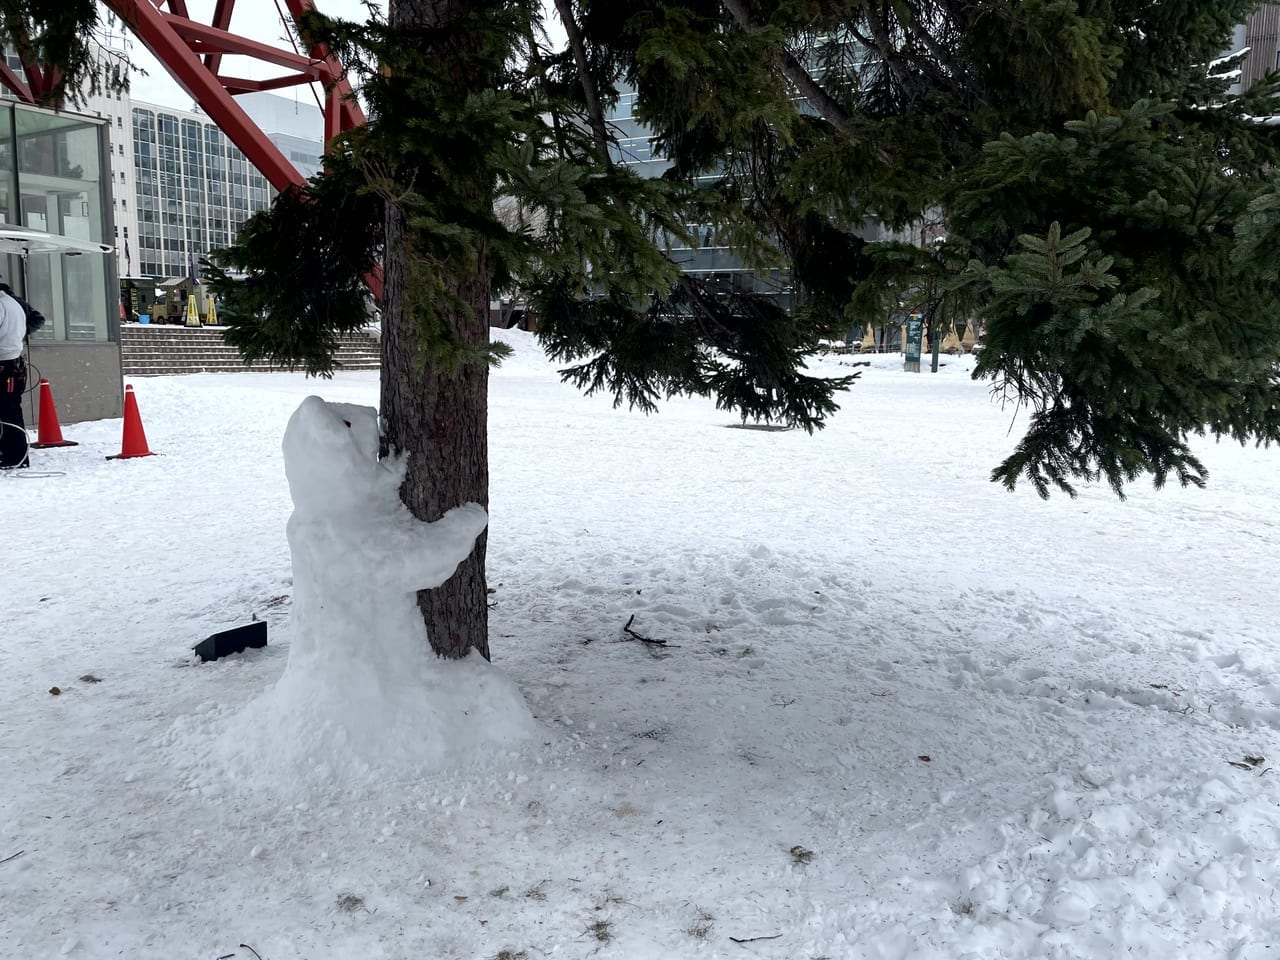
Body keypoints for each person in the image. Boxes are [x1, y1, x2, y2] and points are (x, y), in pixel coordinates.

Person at [0, 278, 46, 469]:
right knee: (10, 410)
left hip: (5, 364)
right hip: (13, 363)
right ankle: (14, 454)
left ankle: (15, 456)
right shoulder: (13, 302)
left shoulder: (6, 303)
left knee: (8, 412)